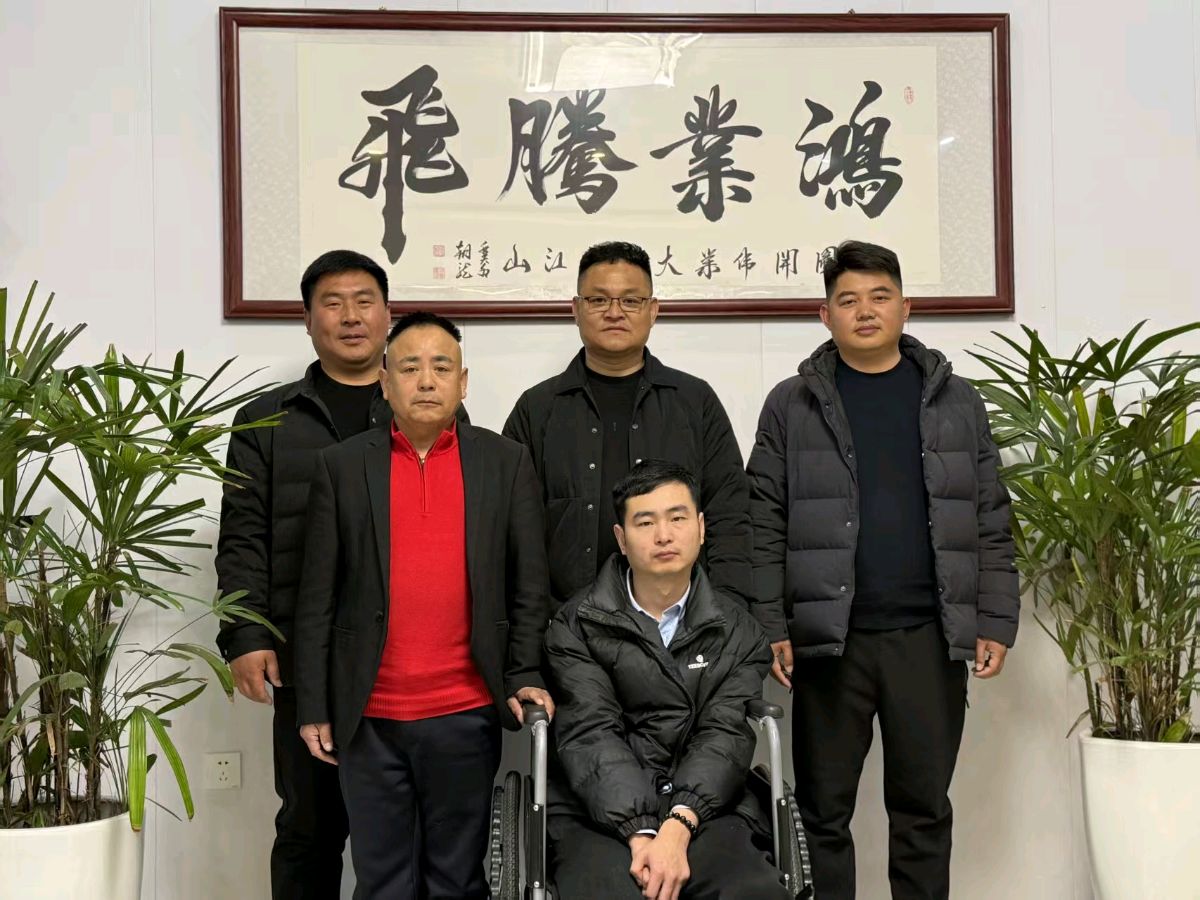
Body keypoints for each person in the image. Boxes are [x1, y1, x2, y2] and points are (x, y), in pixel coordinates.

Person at [745, 240, 1020, 900]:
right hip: (829, 642)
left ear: (905, 306)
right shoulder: (792, 404)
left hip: (928, 637)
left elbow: (988, 511)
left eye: (879, 297)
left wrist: (995, 618)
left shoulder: (956, 401)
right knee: (822, 812)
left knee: (923, 809)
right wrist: (770, 624)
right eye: (848, 300)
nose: (864, 311)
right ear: (825, 315)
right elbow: (762, 520)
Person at [293, 311, 553, 900]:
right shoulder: (342, 466)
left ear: (464, 382)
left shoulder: (505, 462)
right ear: (385, 382)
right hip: (369, 716)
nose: (427, 381)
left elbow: (529, 586)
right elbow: (316, 598)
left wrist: (523, 671)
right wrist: (314, 704)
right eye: (410, 368)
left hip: (465, 710)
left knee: (456, 879)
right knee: (381, 879)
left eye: (442, 367)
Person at [215, 249, 392, 899]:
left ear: (388, 315)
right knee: (308, 827)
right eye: (333, 303)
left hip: (402, 656)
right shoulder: (266, 419)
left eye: (364, 301)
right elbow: (243, 536)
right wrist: (244, 635)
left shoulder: (422, 408)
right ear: (308, 320)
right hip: (304, 655)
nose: (351, 317)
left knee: (398, 829)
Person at [544, 460, 789, 900]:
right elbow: (591, 731)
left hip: (706, 808)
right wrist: (641, 833)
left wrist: (678, 825)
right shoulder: (576, 625)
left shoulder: (739, 631)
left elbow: (724, 735)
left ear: (701, 528)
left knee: (753, 892)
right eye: (645, 522)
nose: (664, 535)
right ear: (621, 538)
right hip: (596, 809)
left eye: (677, 518)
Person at [503, 240, 752, 609]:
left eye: (631, 300)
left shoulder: (694, 402)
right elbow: (513, 531)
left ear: (653, 310)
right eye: (598, 300)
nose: (614, 312)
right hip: (568, 626)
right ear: (576, 309)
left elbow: (730, 516)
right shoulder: (537, 409)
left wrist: (727, 613)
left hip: (680, 624)